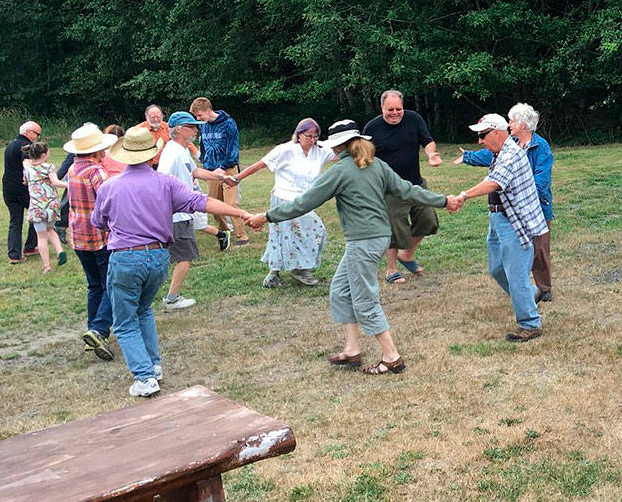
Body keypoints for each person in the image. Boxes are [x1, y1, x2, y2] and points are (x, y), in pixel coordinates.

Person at [247, 120, 452, 375]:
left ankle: (391, 357)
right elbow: (408, 190)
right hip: (376, 238)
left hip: (363, 242)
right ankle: (352, 350)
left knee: (364, 299)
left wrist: (266, 216)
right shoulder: (376, 165)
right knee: (341, 290)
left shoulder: (341, 171)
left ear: (339, 146)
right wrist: (443, 201)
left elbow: (304, 203)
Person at [91, 126, 251, 397]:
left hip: (125, 258)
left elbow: (99, 222)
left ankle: (144, 378)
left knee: (124, 322)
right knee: (143, 310)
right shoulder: (166, 183)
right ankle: (153, 366)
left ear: (123, 156)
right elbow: (203, 202)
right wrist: (240, 213)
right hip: (158, 257)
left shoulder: (109, 187)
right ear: (152, 155)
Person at [448, 114, 548, 342]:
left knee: (516, 275)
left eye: (483, 135)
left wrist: (463, 195)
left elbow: (495, 182)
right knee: (496, 269)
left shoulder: (510, 154)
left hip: (514, 222)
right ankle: (531, 294)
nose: (480, 141)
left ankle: (530, 324)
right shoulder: (501, 153)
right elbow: (493, 177)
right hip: (499, 219)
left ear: (497, 133)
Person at [455, 104, 555, 302]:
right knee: (519, 252)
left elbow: (542, 179)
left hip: (536, 207)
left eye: (512, 121)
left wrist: (524, 196)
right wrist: (468, 156)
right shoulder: (511, 143)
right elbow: (488, 154)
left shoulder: (540, 146)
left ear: (524, 125)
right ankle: (525, 290)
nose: (509, 125)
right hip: (513, 210)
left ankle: (543, 289)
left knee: (539, 250)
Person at [233, 118, 334, 288]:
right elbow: (260, 165)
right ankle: (276, 275)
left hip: (304, 201)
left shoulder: (320, 151)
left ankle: (300, 269)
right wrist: (236, 179)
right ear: (299, 135)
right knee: (282, 237)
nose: (313, 140)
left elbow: (342, 151)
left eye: (316, 136)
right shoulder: (286, 150)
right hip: (284, 198)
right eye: (309, 136)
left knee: (316, 231)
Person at [363, 89, 442, 283]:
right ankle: (391, 270)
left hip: (415, 184)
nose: (395, 113)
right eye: (390, 109)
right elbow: (364, 156)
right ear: (382, 107)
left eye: (399, 108)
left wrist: (431, 154)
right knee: (396, 228)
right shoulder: (372, 129)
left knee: (428, 220)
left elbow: (428, 141)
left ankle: (407, 254)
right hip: (389, 190)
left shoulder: (413, 119)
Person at [155, 111, 229, 310]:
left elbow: (194, 171)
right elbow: (162, 179)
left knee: (169, 257)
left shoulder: (182, 149)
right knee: (184, 257)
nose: (196, 130)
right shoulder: (172, 152)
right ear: (178, 129)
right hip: (177, 215)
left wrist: (218, 176)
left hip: (180, 213)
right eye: (191, 127)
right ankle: (171, 299)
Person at [63, 124, 117, 361]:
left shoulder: (73, 169)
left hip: (78, 236)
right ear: (97, 151)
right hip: (100, 237)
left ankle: (92, 331)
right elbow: (109, 203)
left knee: (94, 285)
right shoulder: (97, 172)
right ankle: (98, 330)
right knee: (112, 286)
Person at [189, 97, 249, 245]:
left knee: (231, 204)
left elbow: (233, 150)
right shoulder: (203, 126)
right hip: (210, 171)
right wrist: (205, 161)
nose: (198, 119)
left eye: (199, 115)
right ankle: (225, 232)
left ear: (208, 110)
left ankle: (242, 236)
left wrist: (222, 168)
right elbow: (203, 145)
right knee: (214, 206)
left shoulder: (228, 124)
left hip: (228, 170)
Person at [21, 141, 68, 272]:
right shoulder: (48, 167)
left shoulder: (28, 170)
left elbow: (25, 182)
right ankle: (59, 251)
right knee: (50, 228)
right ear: (43, 155)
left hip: (37, 208)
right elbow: (55, 182)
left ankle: (47, 266)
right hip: (51, 206)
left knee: (41, 236)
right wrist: (70, 185)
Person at [4, 120, 40, 263]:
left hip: (9, 188)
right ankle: (30, 246)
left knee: (15, 221)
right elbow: (28, 166)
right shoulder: (26, 146)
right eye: (37, 134)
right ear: (29, 132)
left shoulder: (11, 145)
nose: (37, 137)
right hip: (23, 189)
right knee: (38, 215)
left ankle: (14, 254)